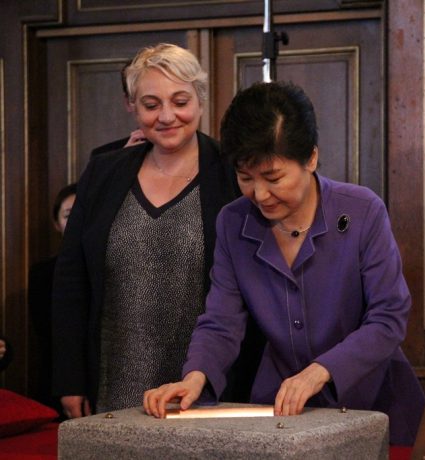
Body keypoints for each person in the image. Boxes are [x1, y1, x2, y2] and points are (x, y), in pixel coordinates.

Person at [143, 81, 425, 446]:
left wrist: (321, 371)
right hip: (281, 415)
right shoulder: (234, 222)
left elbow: (389, 316)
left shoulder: (361, 211)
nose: (259, 194)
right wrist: (196, 376)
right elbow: (221, 321)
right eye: (246, 178)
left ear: (310, 158)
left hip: (374, 404)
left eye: (273, 178)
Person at [52, 43, 261, 419]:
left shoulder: (233, 174)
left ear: (199, 100)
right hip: (114, 386)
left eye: (180, 101)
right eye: (151, 105)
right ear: (131, 106)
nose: (167, 116)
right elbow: (71, 281)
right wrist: (70, 379)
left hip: (210, 389)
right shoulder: (103, 173)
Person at [28, 183, 77, 416]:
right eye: (68, 215)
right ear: (57, 224)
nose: (76, 221)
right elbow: (47, 333)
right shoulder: (42, 273)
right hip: (58, 378)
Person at [90, 59, 146, 156]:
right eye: (151, 105)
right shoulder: (103, 156)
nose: (166, 117)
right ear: (128, 102)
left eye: (180, 103)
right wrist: (120, 160)